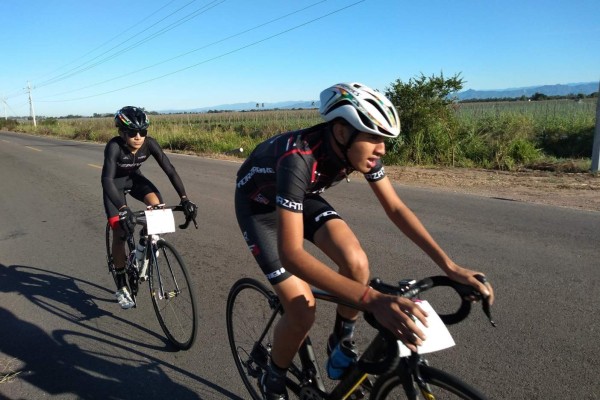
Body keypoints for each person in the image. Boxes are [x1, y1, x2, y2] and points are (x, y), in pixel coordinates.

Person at [234, 83, 495, 399]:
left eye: (384, 139)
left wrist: (450, 266)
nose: (382, 149)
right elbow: (291, 254)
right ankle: (273, 377)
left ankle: (340, 343)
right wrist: (373, 300)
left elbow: (396, 208)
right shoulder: (298, 158)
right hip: (260, 209)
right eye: (374, 137)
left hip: (301, 197)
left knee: (356, 262)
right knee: (302, 310)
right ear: (342, 133)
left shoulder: (362, 152)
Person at [102, 106, 197, 309]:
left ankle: (144, 245)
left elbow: (170, 170)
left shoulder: (150, 144)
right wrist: (122, 208)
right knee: (120, 232)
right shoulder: (114, 147)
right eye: (132, 133)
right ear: (121, 132)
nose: (138, 137)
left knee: (158, 209)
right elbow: (106, 180)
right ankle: (121, 284)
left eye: (143, 132)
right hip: (114, 187)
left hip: (134, 181)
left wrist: (184, 198)